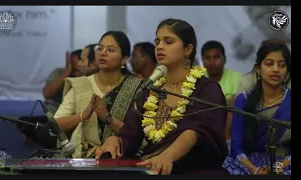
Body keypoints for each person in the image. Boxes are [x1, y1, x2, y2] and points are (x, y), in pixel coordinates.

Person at [93, 18, 229, 175]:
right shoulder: (149, 91)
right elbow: (130, 134)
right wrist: (115, 141)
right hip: (153, 167)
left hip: (195, 170)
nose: (160, 47)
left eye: (168, 41)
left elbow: (194, 131)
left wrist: (167, 157)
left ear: (188, 49)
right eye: (157, 42)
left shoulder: (207, 89)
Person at [53, 31, 143, 158]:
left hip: (123, 157)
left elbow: (141, 136)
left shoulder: (138, 89)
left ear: (124, 58)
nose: (103, 53)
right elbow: (55, 124)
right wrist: (82, 116)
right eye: (99, 48)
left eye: (111, 50)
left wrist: (107, 118)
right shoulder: (81, 85)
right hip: (84, 157)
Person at [222, 40, 291, 175]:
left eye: (281, 65)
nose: (276, 69)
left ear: (287, 72)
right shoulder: (244, 99)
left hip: (286, 164)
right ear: (258, 69)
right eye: (269, 64)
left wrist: (279, 167)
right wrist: (255, 170)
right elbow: (236, 147)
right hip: (250, 164)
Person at [201, 40, 243, 150]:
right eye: (208, 58)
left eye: (216, 57)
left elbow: (234, 109)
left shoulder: (237, 78)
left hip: (229, 127)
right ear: (202, 60)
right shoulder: (196, 78)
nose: (212, 62)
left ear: (225, 59)